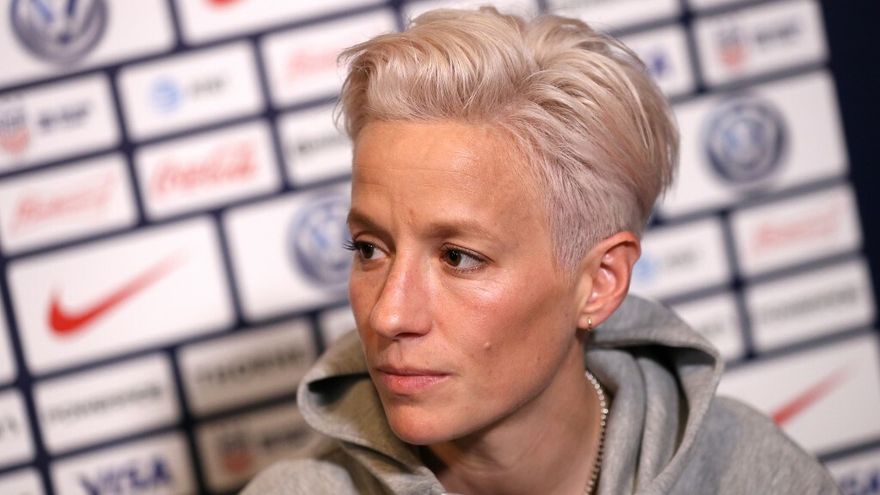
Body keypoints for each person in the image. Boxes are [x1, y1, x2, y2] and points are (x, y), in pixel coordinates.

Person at [242, 6, 839, 495]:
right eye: (370, 248)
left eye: (457, 258)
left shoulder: (754, 477)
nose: (388, 315)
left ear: (600, 282)